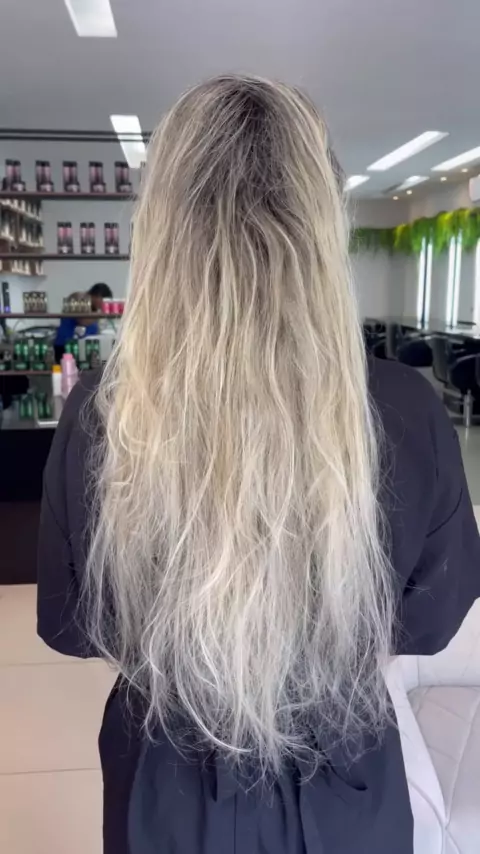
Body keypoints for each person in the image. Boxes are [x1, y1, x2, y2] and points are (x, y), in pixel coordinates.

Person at [37, 76, 480, 854]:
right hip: (346, 784)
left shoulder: (104, 410)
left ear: (161, 225)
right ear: (323, 219)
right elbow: (432, 620)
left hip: (165, 787)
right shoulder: (403, 406)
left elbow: (73, 626)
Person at [53, 282, 113, 362]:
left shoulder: (95, 309)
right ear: (98, 296)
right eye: (104, 301)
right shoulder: (78, 298)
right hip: (67, 347)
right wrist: (103, 313)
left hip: (85, 348)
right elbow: (82, 320)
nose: (104, 305)